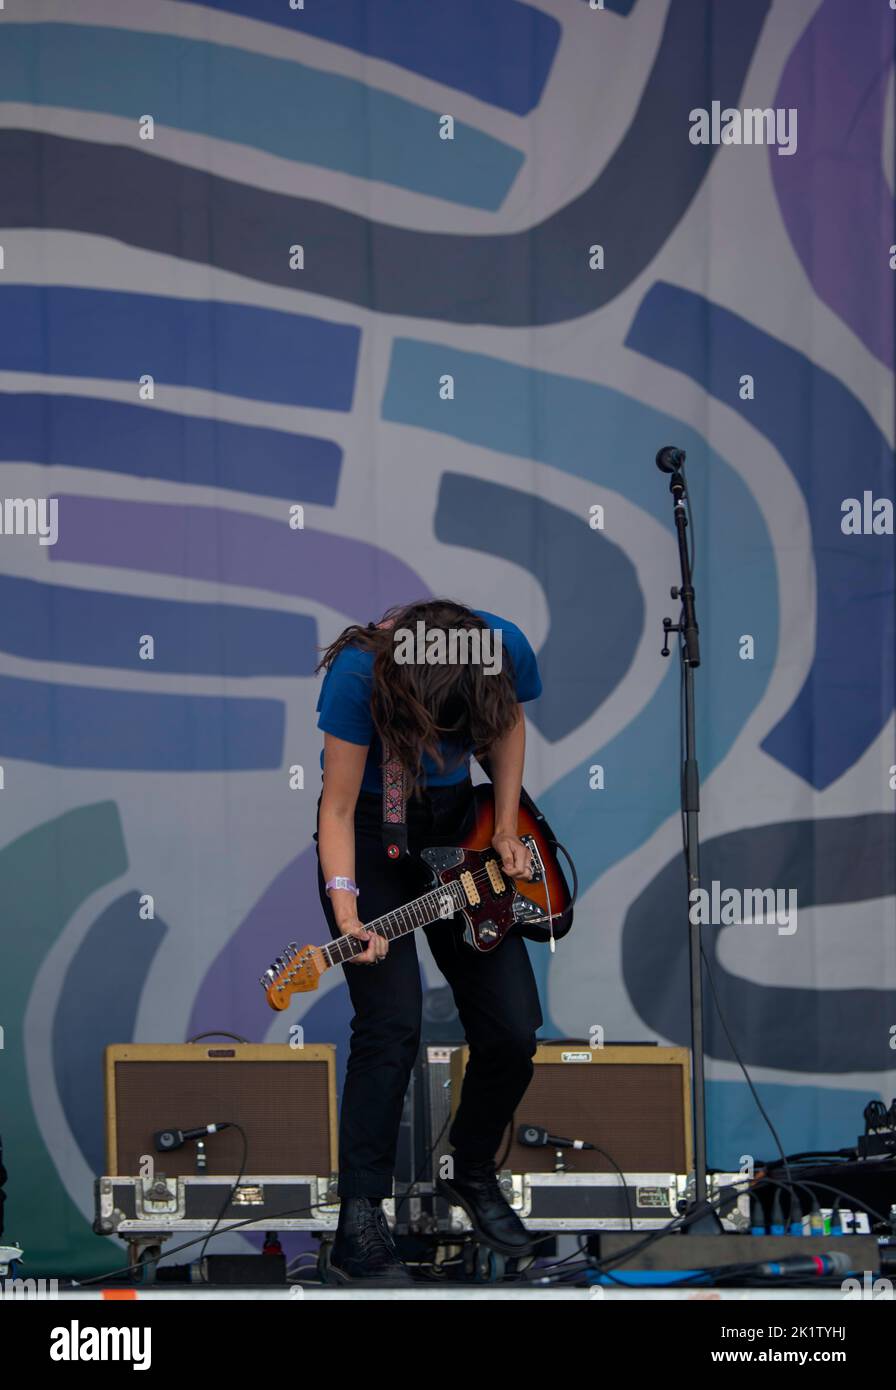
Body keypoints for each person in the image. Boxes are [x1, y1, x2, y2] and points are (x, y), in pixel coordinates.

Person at [313, 598, 544, 1283]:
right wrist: (349, 915)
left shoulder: (503, 645)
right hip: (370, 830)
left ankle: (470, 1170)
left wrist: (504, 826)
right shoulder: (359, 673)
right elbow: (335, 805)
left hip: (458, 826)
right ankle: (360, 1222)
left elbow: (508, 727)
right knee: (390, 1025)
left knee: (513, 1029)